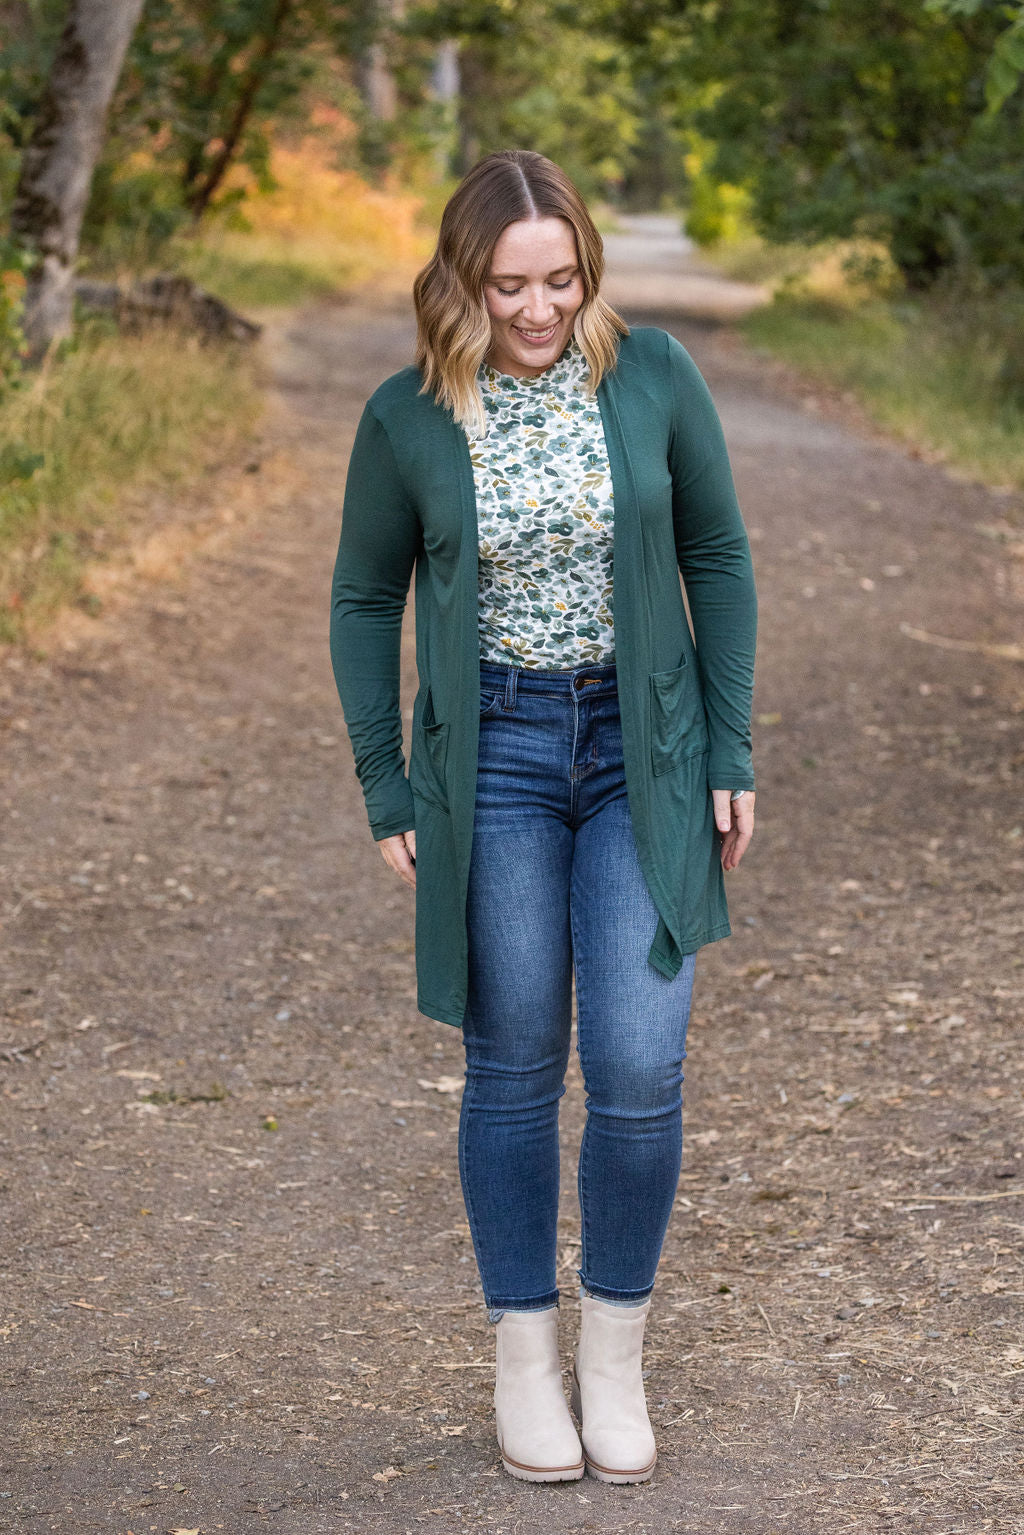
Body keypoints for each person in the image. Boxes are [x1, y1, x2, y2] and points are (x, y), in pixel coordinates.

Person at [329, 148, 757, 1485]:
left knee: (637, 1067)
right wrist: (385, 780)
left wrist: (731, 745)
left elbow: (716, 556)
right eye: (510, 283)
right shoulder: (409, 417)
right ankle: (526, 1355)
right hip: (496, 756)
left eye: (562, 279)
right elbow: (362, 599)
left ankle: (614, 1357)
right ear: (462, 278)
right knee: (514, 1063)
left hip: (649, 752)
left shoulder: (653, 377)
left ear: (588, 270)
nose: (539, 308)